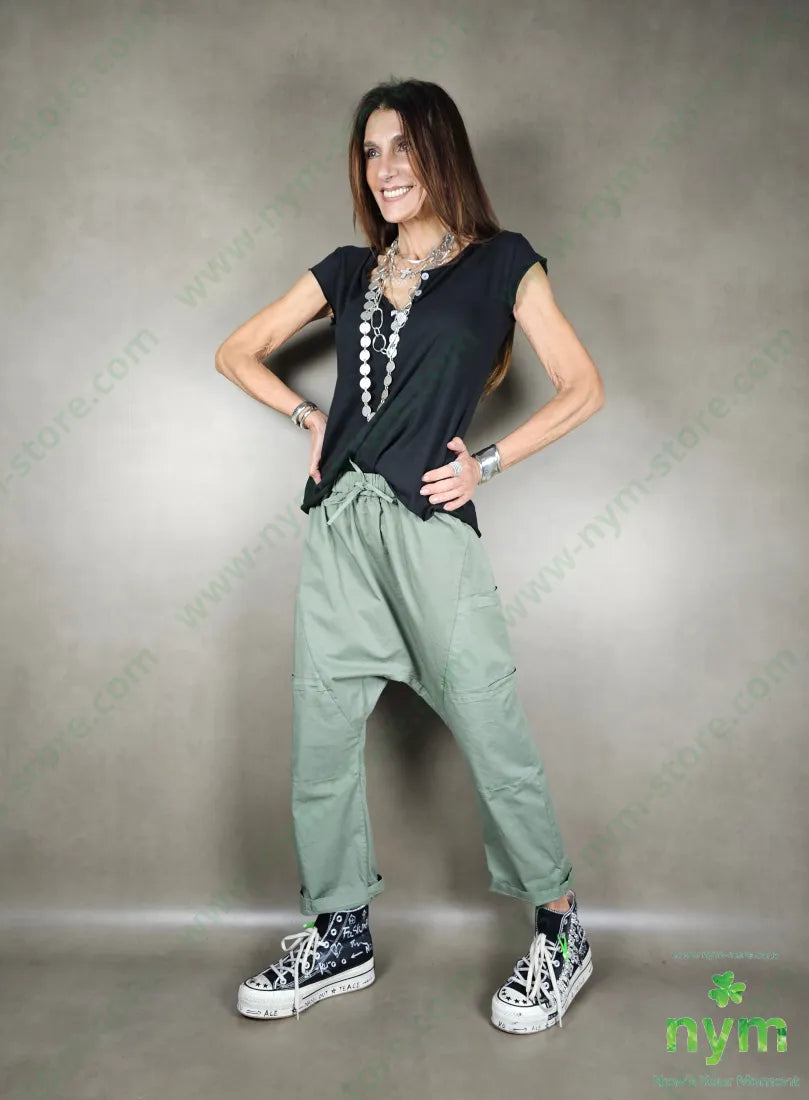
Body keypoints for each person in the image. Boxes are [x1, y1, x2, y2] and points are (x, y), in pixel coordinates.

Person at [215, 78, 604, 1033]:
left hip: (428, 530)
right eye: (370, 151)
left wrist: (487, 463)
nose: (384, 168)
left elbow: (582, 387)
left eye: (403, 148)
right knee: (320, 739)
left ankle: (559, 929)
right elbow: (236, 350)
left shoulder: (502, 263)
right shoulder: (348, 271)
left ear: (442, 154)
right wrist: (308, 415)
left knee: (490, 728)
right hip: (339, 528)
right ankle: (339, 931)